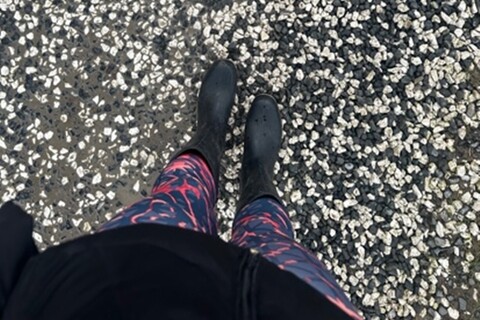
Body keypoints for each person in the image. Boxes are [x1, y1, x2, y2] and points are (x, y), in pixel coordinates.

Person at [0, 60, 363, 320]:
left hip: (123, 285)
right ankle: (256, 174)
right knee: (269, 239)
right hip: (292, 303)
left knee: (176, 201)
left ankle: (209, 137)